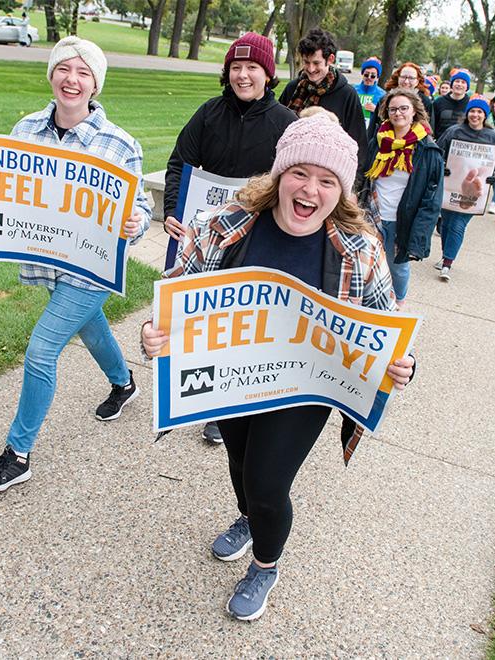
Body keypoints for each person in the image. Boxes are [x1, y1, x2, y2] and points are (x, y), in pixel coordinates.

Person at [141, 112, 415, 621]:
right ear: (279, 174)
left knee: (268, 484)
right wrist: (153, 332)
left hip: (303, 388)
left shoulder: (359, 248)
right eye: (300, 173)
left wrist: (402, 363)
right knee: (241, 465)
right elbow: (178, 291)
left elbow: (386, 321)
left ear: (342, 190)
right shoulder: (228, 223)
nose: (311, 189)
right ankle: (247, 517)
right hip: (232, 378)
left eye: (327, 180)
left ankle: (266, 564)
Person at [0, 37, 151, 492]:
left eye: (83, 72)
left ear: (95, 83)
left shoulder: (119, 144)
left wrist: (134, 223)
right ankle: (124, 384)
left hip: (91, 270)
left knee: (41, 350)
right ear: (52, 75)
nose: (72, 80)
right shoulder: (26, 130)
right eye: (64, 69)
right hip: (49, 265)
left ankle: (17, 454)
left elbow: (136, 212)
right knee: (91, 326)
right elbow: (5, 191)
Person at [163, 32, 296, 444]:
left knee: (245, 320)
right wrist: (172, 210)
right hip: (211, 234)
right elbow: (180, 162)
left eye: (252, 67)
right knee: (207, 315)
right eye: (236, 67)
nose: (243, 75)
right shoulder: (208, 113)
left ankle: (229, 406)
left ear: (268, 73)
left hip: (259, 237)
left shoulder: (285, 123)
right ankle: (204, 391)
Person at [362, 88, 443, 306]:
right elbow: (364, 177)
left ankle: (397, 304)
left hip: (402, 221)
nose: (398, 113)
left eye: (403, 108)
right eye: (393, 109)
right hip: (372, 215)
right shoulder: (379, 142)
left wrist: (419, 239)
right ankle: (368, 303)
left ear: (414, 111)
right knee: (367, 263)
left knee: (397, 267)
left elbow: (431, 200)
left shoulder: (428, 151)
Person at [279, 28, 367, 181]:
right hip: (290, 170)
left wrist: (353, 187)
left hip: (327, 177)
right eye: (306, 62)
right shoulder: (293, 88)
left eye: (316, 63)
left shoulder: (347, 95)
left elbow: (358, 145)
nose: (311, 69)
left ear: (330, 59)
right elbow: (277, 127)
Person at [435, 97, 495, 281]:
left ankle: (447, 264)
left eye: (479, 112)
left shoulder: (493, 137)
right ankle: (445, 255)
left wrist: (494, 175)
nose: (475, 115)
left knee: (458, 225)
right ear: (467, 113)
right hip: (450, 187)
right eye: (472, 111)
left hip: (474, 192)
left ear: (485, 115)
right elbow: (437, 151)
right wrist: (443, 165)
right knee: (448, 224)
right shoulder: (454, 132)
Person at [368, 62, 433, 140]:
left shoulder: (425, 102)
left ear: (417, 81)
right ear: (398, 78)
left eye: (411, 78)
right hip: (384, 144)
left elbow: (429, 130)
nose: (406, 81)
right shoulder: (385, 99)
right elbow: (373, 128)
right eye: (403, 77)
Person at [432, 70, 471, 139]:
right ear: (452, 84)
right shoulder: (439, 102)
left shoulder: (471, 104)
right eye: (457, 81)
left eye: (463, 82)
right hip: (441, 142)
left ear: (467, 87)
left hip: (462, 143)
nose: (459, 84)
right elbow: (432, 124)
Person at [353, 58, 385, 129]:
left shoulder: (382, 95)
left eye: (373, 76)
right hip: (353, 127)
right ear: (362, 74)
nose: (369, 78)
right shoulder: (353, 90)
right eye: (366, 75)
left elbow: (386, 116)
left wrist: (376, 110)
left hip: (371, 131)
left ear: (377, 77)